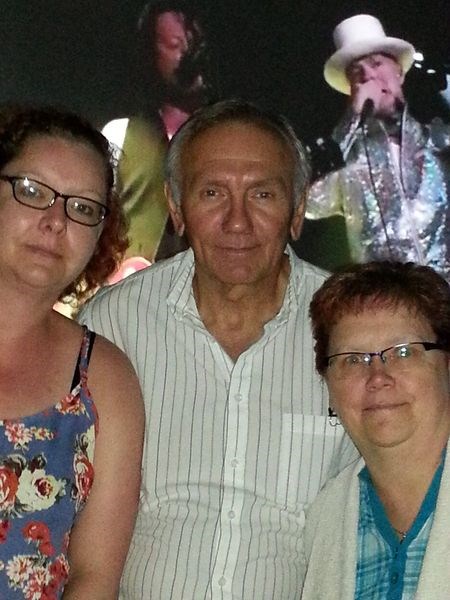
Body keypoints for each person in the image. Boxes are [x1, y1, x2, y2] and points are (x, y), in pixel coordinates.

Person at [79, 99, 358, 599]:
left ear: (297, 211)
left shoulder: (352, 330)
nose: (237, 221)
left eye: (263, 194)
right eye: (211, 193)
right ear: (175, 206)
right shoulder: (113, 324)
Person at [0, 105, 144, 598]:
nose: (56, 221)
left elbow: (95, 579)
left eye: (82, 207)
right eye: (32, 192)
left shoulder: (104, 379)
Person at [302, 261, 450, 598]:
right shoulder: (327, 519)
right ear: (327, 383)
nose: (378, 377)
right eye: (353, 359)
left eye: (403, 353)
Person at [306, 14, 450, 280]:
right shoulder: (350, 167)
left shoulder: (438, 141)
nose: (369, 76)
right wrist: (352, 118)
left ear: (399, 72)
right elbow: (307, 201)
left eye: (376, 64)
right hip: (391, 308)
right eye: (357, 74)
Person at [102, 0, 213, 267]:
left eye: (194, 43)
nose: (188, 52)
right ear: (151, 56)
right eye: (175, 45)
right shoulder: (120, 134)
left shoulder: (231, 142)